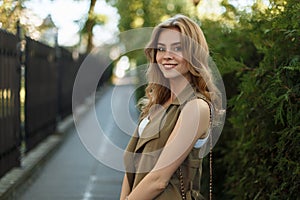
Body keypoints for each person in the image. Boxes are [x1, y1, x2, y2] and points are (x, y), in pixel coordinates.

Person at [120, 14, 224, 200]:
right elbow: (132, 166)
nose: (167, 55)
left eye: (177, 48)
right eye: (161, 49)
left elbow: (159, 179)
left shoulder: (196, 107)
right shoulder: (155, 104)